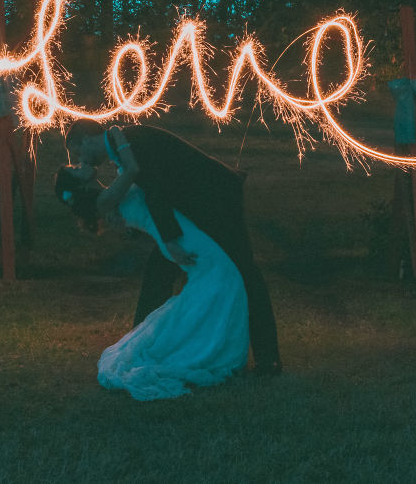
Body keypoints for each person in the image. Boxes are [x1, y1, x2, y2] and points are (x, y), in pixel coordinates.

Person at [63, 118, 282, 377]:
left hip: (216, 199)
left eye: (78, 153)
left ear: (87, 140)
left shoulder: (130, 143)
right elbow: (148, 193)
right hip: (192, 212)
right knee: (157, 275)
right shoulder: (122, 144)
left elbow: (156, 191)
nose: (82, 162)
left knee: (244, 268)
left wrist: (169, 240)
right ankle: (143, 345)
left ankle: (268, 359)